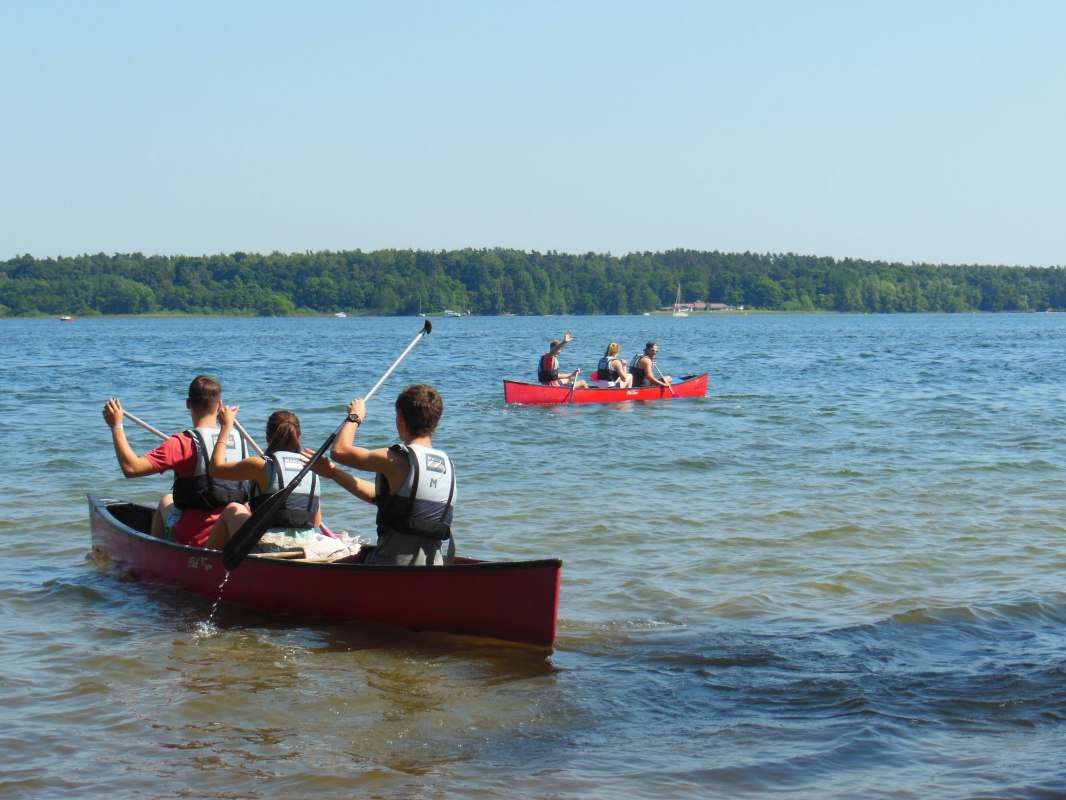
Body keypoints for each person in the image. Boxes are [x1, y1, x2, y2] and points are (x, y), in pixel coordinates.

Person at [101, 375, 248, 547]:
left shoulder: (182, 443)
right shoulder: (240, 441)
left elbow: (131, 468)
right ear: (220, 405)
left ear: (188, 404)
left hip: (196, 538)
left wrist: (116, 426)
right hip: (231, 532)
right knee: (167, 500)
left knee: (165, 502)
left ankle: (156, 557)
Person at [327, 384, 456, 566]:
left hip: (389, 564)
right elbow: (379, 497)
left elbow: (339, 451)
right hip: (433, 567)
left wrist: (355, 416)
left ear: (400, 417)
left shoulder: (395, 458)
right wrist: (332, 472)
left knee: (335, 563)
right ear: (436, 420)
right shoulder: (447, 465)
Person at [203, 407, 323, 550]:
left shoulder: (260, 464)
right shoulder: (312, 467)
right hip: (305, 545)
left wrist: (226, 427)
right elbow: (316, 522)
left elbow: (215, 469)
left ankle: (206, 563)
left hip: (270, 547)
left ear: (267, 437)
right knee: (248, 506)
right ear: (299, 437)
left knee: (233, 508)